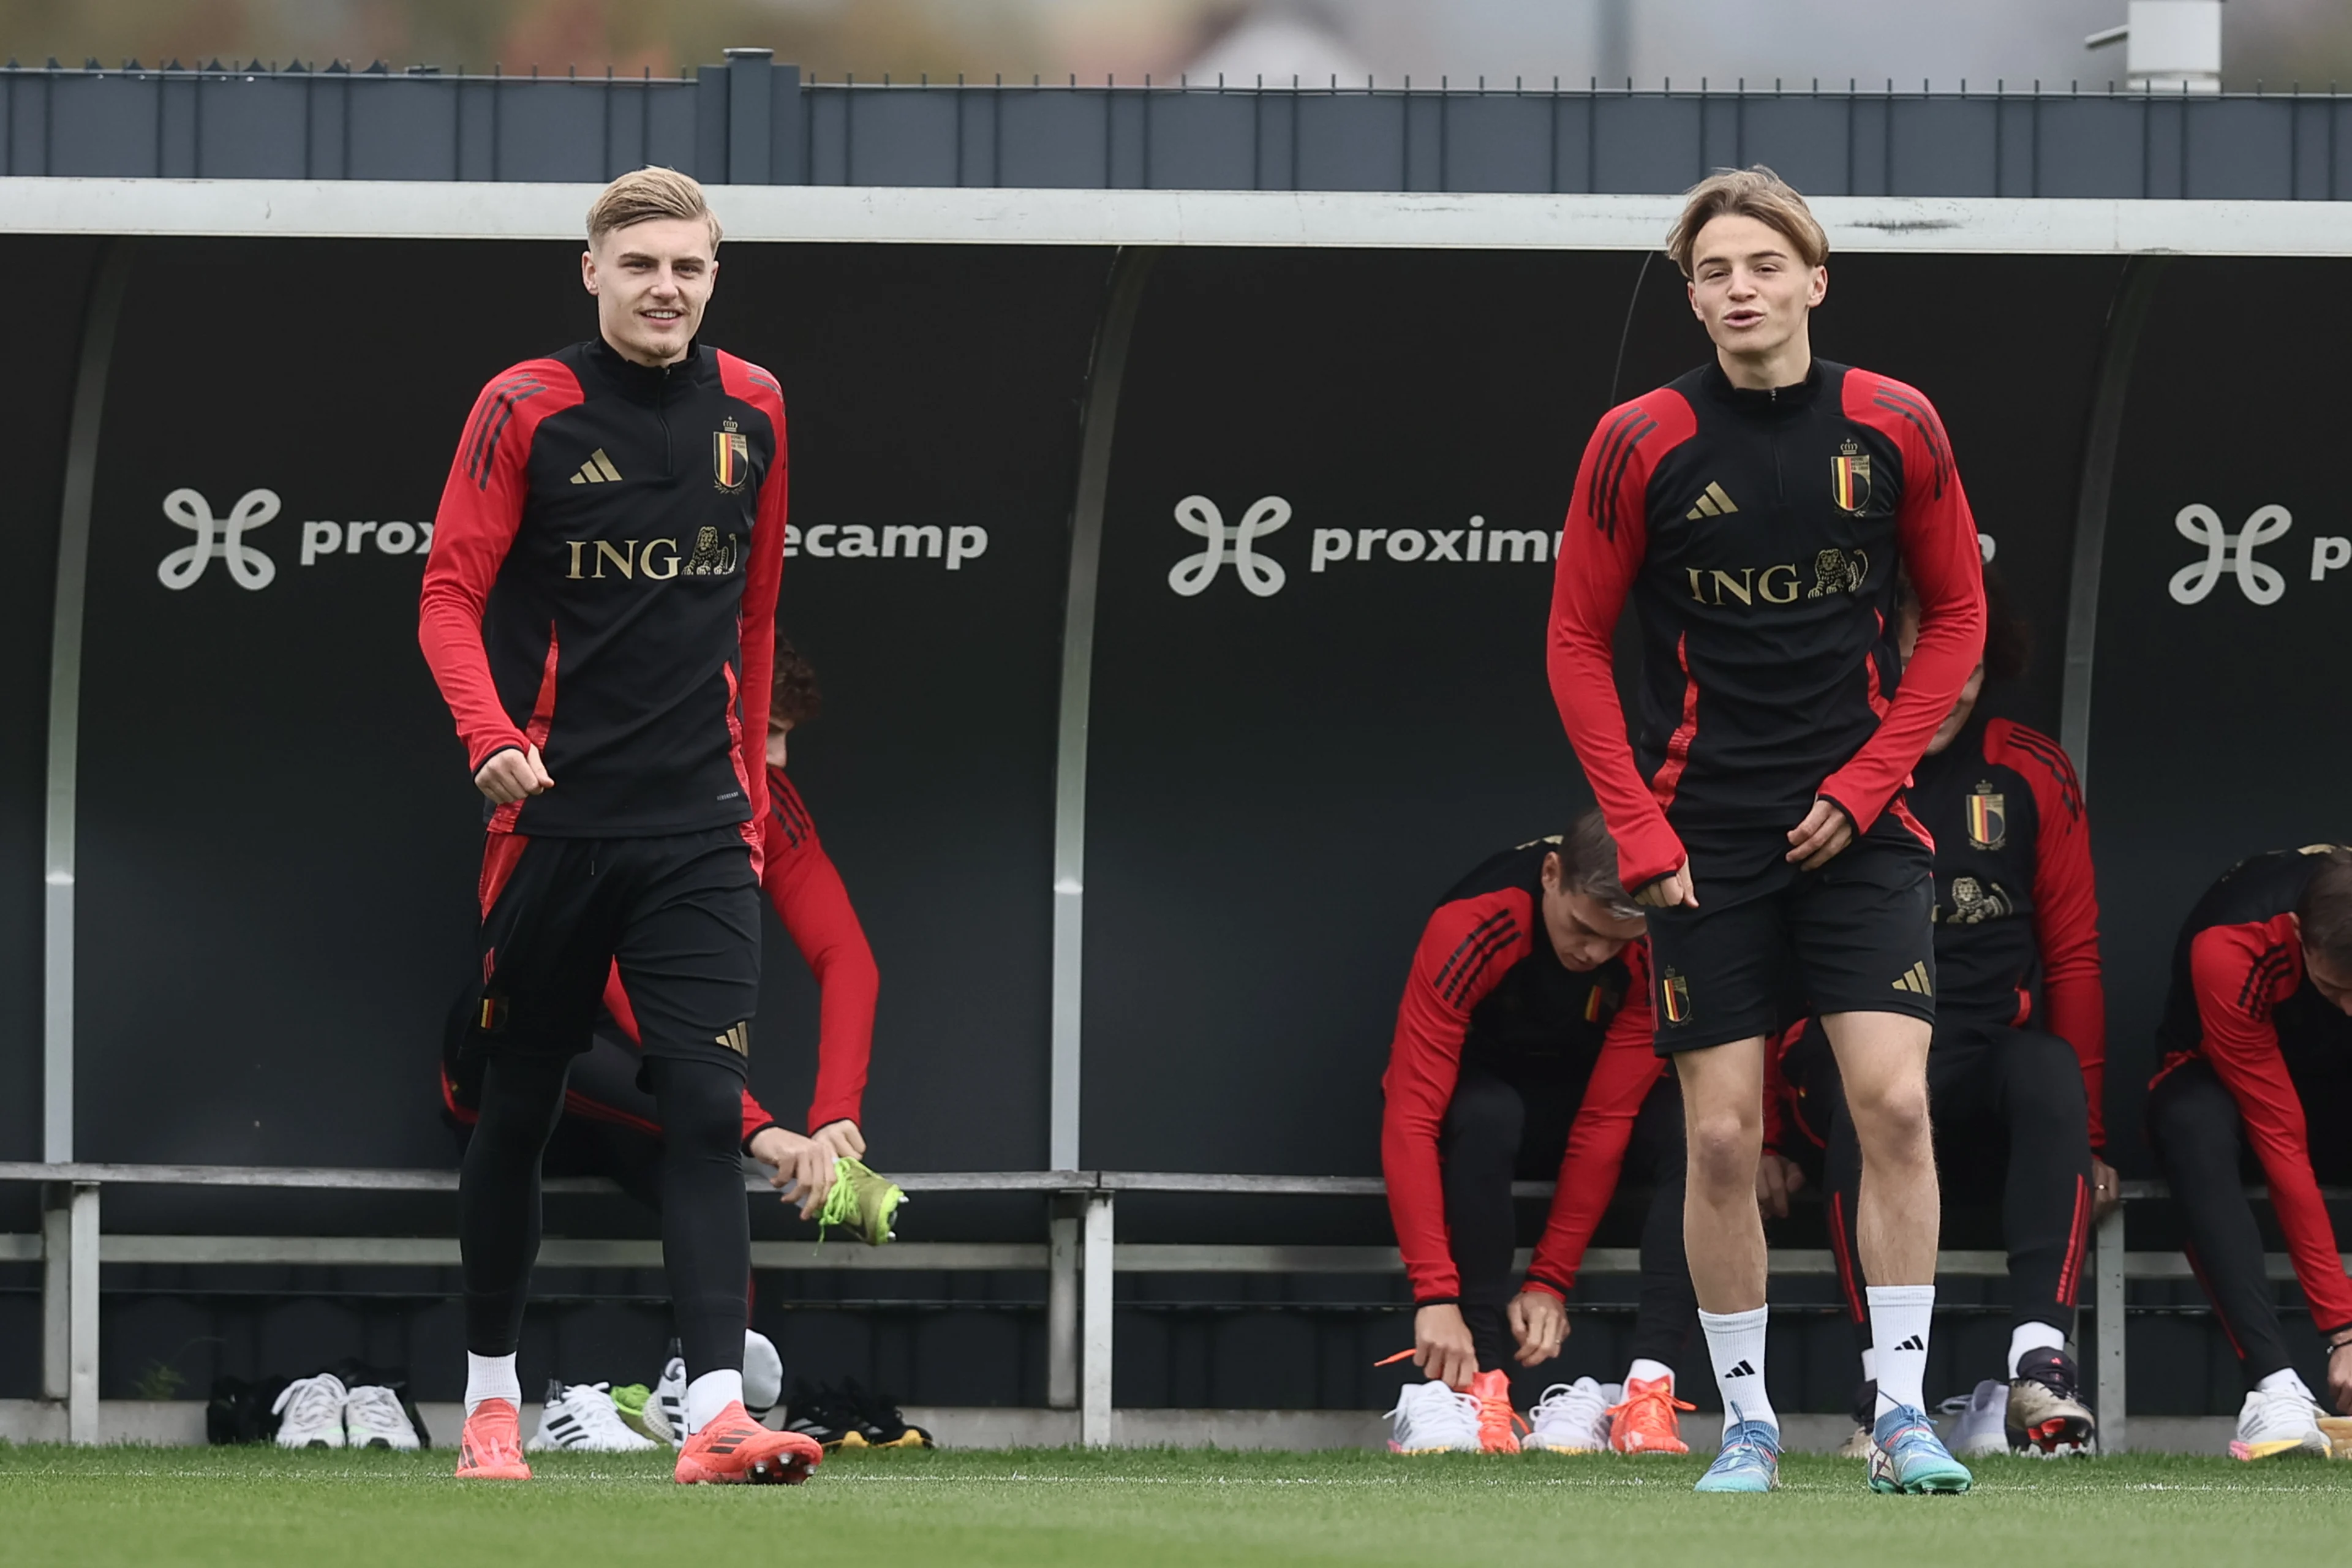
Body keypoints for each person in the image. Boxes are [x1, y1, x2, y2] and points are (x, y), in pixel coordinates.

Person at [1547, 167, 1986, 1494]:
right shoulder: (1639, 437)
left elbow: (1957, 619)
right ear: (1692, 299)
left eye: (1760, 265)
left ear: (1814, 277)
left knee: (1895, 1104)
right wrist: (1639, 828)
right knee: (1725, 1137)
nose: (1738, 290)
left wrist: (1868, 781)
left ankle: (1899, 1412)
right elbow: (1575, 640)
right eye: (1712, 274)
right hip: (1705, 842)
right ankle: (1745, 1422)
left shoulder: (1897, 420)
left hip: (1866, 828)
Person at [417, 167, 813, 1485]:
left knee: (707, 1111)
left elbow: (755, 618)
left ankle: (712, 1415)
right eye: (639, 263)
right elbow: (448, 595)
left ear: (715, 276)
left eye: (688, 267)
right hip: (552, 823)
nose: (665, 288)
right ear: (591, 271)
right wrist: (490, 737)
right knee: (516, 1111)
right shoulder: (524, 403)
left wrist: (749, 800)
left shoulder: (754, 405)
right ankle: (489, 1404)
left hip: (698, 826)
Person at [438, 643, 882, 1446]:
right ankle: (499, 1403)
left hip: (634, 1102)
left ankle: (701, 1397)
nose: (777, 754)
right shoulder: (602, 777)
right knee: (653, 1100)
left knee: (704, 1149)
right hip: (515, 1059)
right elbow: (620, 992)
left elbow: (846, 957)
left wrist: (834, 1116)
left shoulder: (754, 795)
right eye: (768, 730)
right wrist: (760, 1127)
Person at [1771, 570, 2111, 1457]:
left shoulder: (2030, 770)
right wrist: (1766, 1130)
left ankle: (2042, 1368)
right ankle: (1881, 1397)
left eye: (1964, 663)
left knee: (2046, 1072)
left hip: (1980, 1051)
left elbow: (2073, 955)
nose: (1950, 687)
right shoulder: (1825, 761)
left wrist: (2094, 1138)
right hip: (1849, 1054)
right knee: (1870, 1090)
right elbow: (1761, 951)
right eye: (1925, 660)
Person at [1381, 813, 1700, 1457]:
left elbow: (1605, 1120)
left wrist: (1551, 1279)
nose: (1595, 954)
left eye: (1617, 940)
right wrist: (1434, 1294)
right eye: (1583, 928)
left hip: (1584, 1110)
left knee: (1700, 1131)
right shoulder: (1474, 922)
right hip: (1480, 1102)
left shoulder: (1656, 943)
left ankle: (1647, 1390)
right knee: (1489, 1114)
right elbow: (1411, 1112)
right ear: (1551, 874)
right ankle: (1481, 1388)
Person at [2145, 845, 2352, 1460]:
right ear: (2298, 937)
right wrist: (2344, 1329)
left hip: (2333, 1088)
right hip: (2224, 1089)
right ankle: (2276, 1389)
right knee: (2192, 1122)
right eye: (2336, 986)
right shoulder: (2234, 945)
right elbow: (2281, 1139)